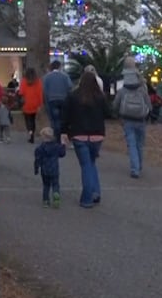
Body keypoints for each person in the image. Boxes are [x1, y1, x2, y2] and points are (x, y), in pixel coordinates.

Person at [61, 67, 107, 208]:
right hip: (97, 135)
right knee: (91, 163)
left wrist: (64, 131)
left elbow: (66, 115)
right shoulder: (100, 97)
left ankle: (87, 197)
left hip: (79, 134)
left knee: (86, 166)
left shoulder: (74, 96)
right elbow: (108, 113)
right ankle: (95, 192)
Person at [114, 57, 152, 178]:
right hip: (140, 118)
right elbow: (148, 103)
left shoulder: (123, 88)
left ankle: (135, 169)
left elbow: (116, 104)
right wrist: (148, 113)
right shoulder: (142, 86)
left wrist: (116, 114)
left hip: (127, 119)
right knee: (139, 144)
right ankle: (138, 166)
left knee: (131, 144)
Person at [33, 127, 66, 208]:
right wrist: (63, 144)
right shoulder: (56, 146)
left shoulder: (40, 148)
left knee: (46, 185)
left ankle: (46, 201)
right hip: (54, 169)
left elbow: (37, 159)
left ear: (43, 137)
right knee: (55, 184)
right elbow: (62, 153)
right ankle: (56, 194)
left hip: (44, 170)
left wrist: (36, 168)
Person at [42, 61, 73, 137]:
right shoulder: (65, 76)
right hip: (63, 100)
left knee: (54, 119)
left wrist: (46, 102)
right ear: (59, 67)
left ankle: (56, 135)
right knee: (62, 119)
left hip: (52, 100)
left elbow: (45, 91)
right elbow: (70, 87)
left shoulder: (46, 77)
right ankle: (63, 135)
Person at [18, 67, 43, 143]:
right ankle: (32, 133)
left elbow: (21, 92)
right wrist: (40, 104)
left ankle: (30, 132)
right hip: (35, 103)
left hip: (26, 103)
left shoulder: (24, 81)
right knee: (33, 120)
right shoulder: (38, 81)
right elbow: (40, 93)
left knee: (28, 120)